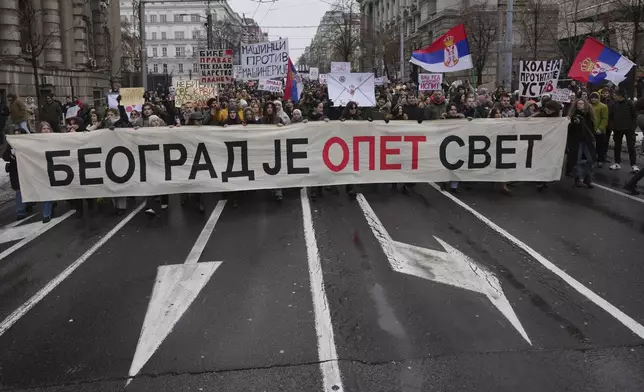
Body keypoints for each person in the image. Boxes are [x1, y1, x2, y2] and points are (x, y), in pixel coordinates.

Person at [568, 98, 597, 188]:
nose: (580, 105)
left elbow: (591, 128)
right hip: (577, 141)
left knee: (590, 159)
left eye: (582, 103)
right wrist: (573, 122)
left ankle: (587, 178)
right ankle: (577, 178)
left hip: (587, 140)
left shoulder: (589, 115)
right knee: (577, 160)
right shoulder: (573, 115)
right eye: (578, 104)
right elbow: (569, 128)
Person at [608, 89, 639, 172]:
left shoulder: (629, 104)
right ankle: (617, 163)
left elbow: (634, 116)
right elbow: (610, 117)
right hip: (617, 129)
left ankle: (633, 165)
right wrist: (612, 126)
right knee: (617, 146)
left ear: (620, 96)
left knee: (631, 147)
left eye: (615, 95)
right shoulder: (614, 104)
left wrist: (633, 127)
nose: (614, 96)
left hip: (629, 129)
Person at [589, 92, 609, 167]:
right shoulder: (588, 106)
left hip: (599, 130)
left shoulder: (603, 106)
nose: (593, 99)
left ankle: (600, 160)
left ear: (598, 98)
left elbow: (605, 118)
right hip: (590, 129)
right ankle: (592, 159)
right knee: (591, 146)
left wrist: (600, 128)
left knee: (600, 146)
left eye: (595, 97)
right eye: (592, 98)